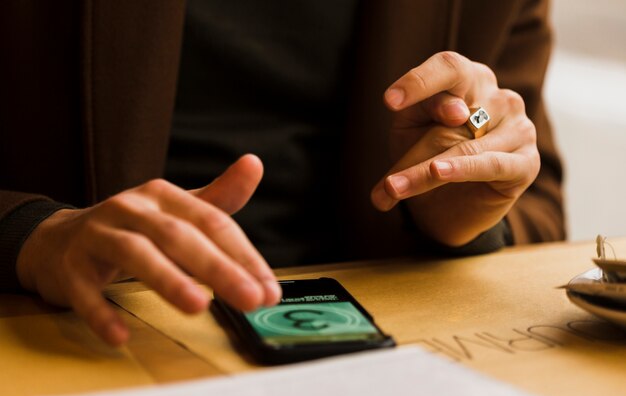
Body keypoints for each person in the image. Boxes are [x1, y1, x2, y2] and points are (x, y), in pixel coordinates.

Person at [0, 0, 564, 346]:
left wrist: (465, 215)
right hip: (86, 327)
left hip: (390, 335)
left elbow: (543, 205)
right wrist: (31, 234)